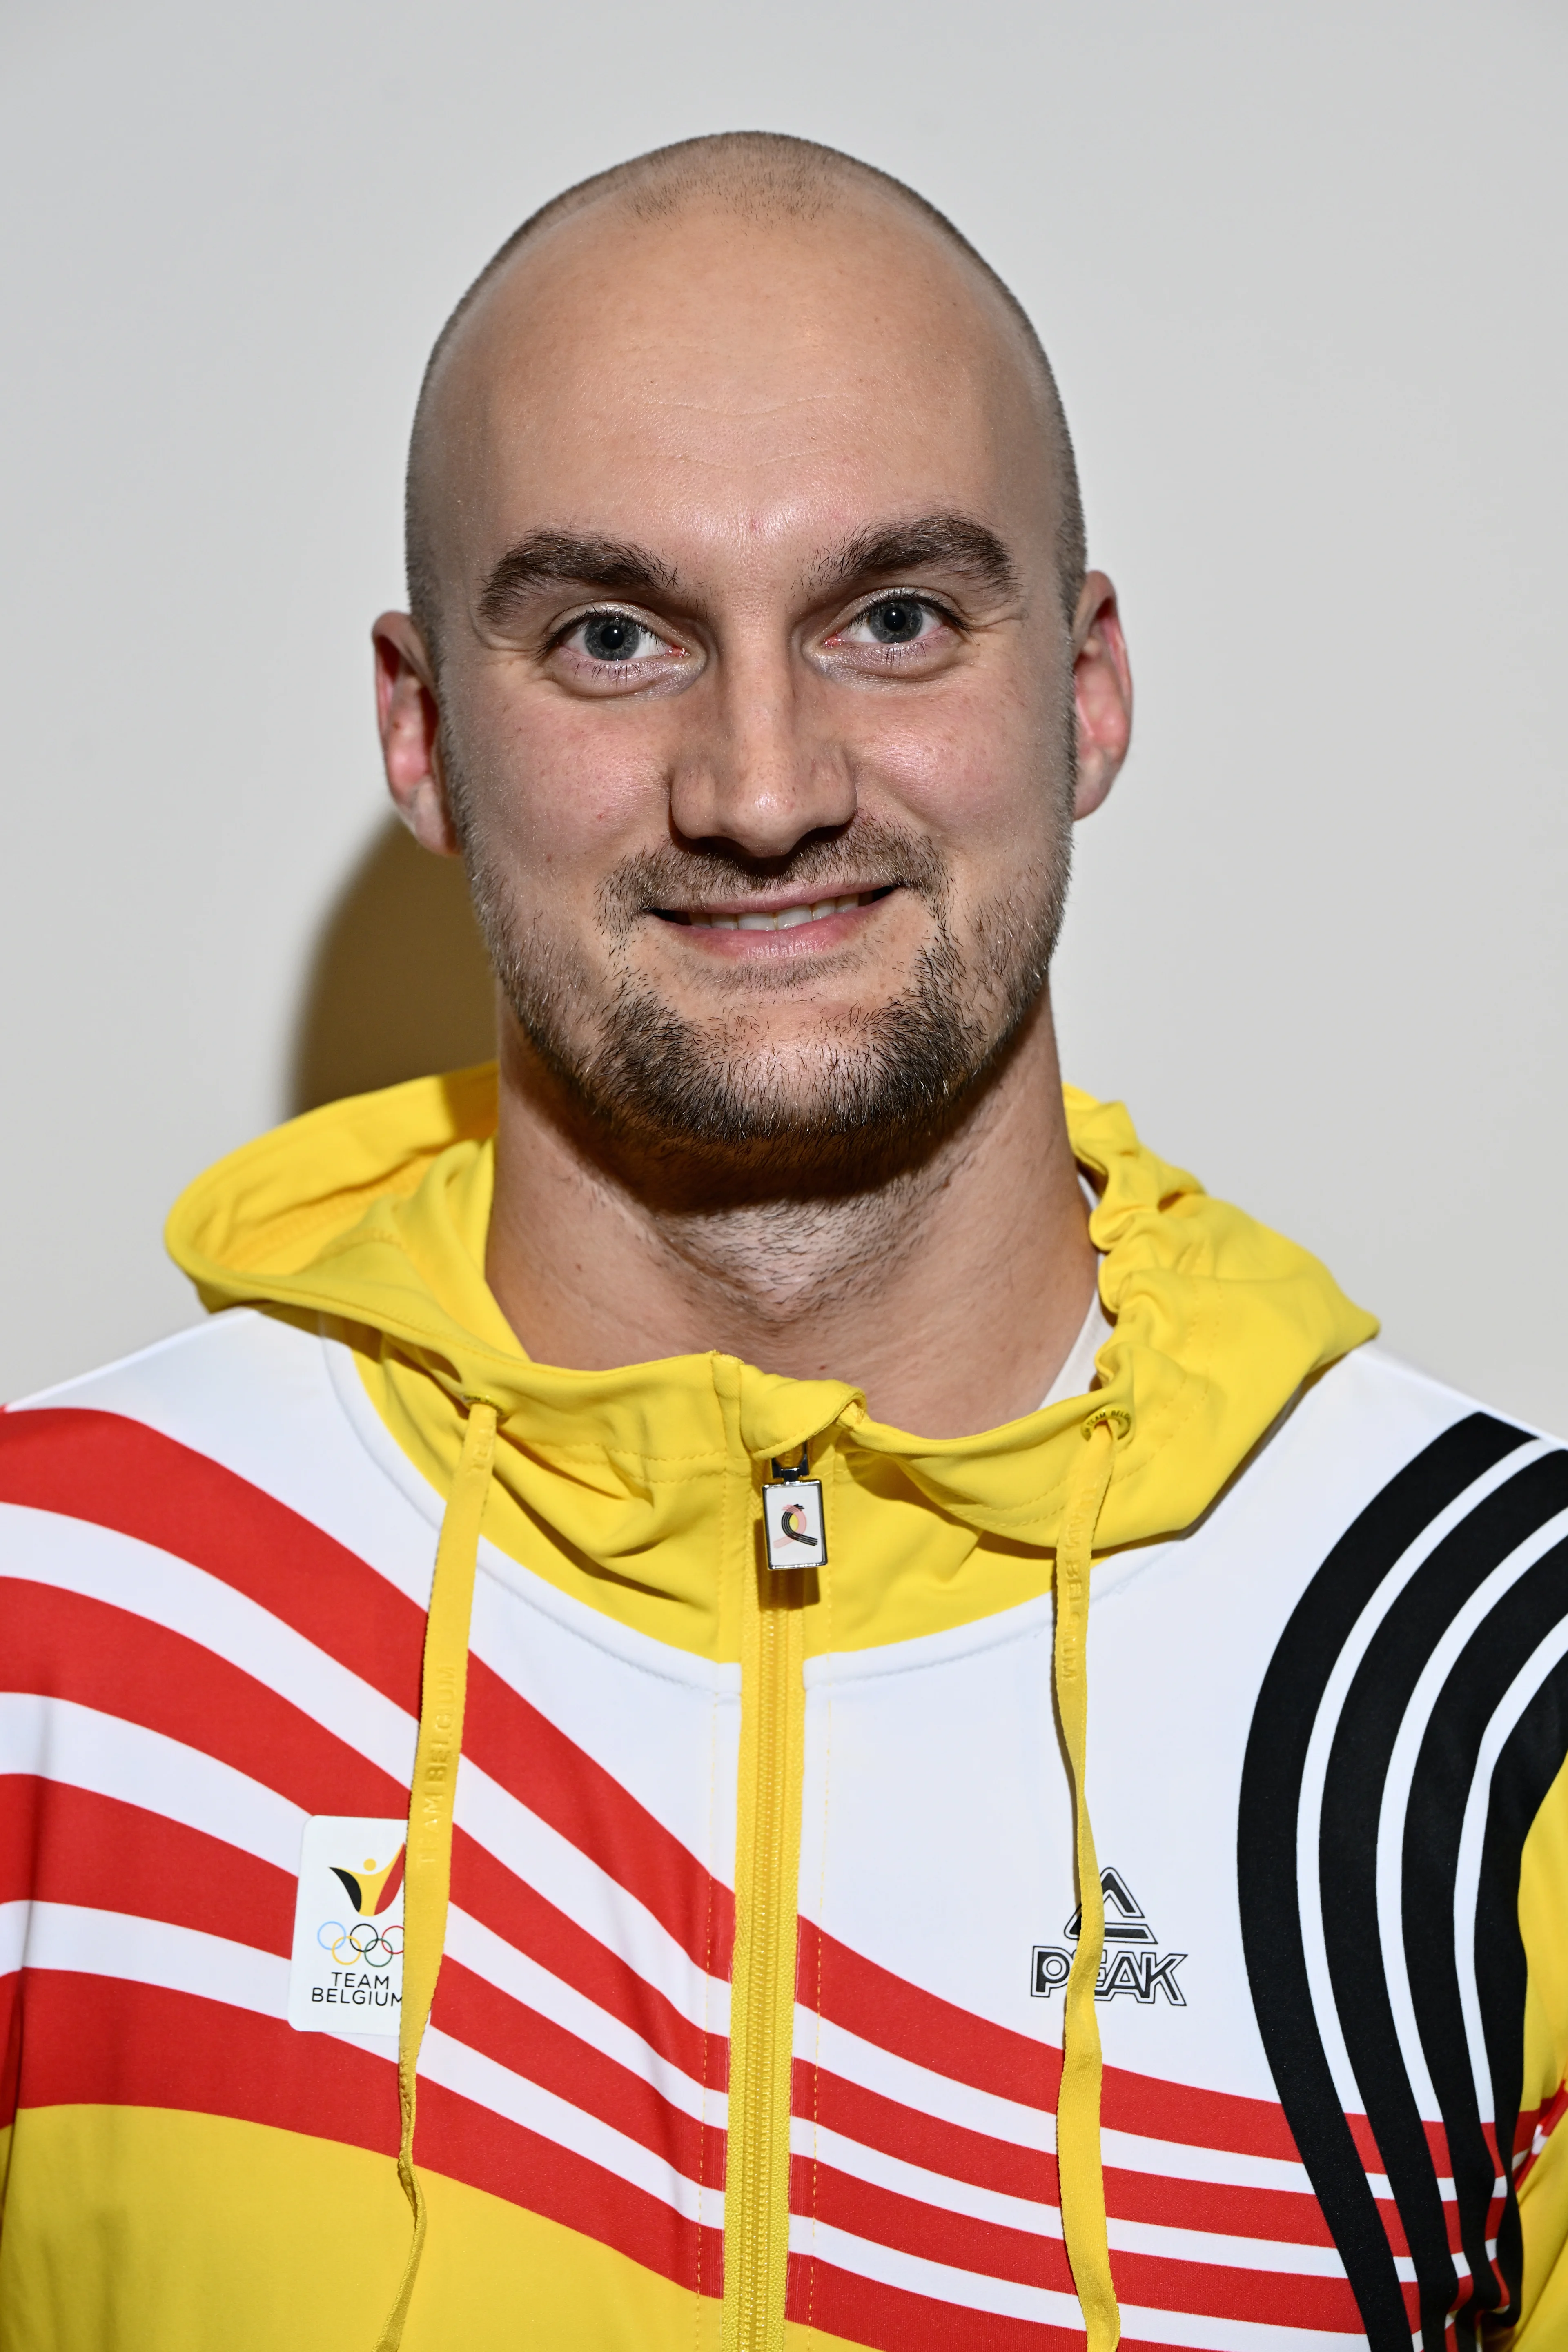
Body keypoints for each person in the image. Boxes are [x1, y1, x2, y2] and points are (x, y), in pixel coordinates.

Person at [0, 130, 1562, 2352]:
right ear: (424, 729)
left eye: (895, 618)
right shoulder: (53, 1629)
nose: (761, 785)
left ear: (1087, 688)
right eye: (612, 637)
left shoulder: (1509, 1681)